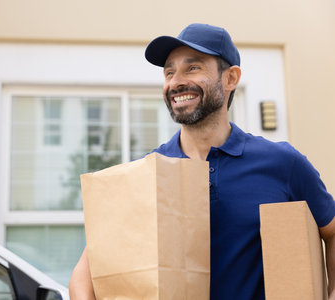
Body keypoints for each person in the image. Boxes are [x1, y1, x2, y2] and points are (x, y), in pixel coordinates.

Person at [69, 23, 335, 299]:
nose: (175, 82)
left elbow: (332, 230)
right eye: (169, 72)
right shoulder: (147, 174)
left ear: (230, 78)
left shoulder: (281, 163)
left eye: (192, 68)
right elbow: (85, 275)